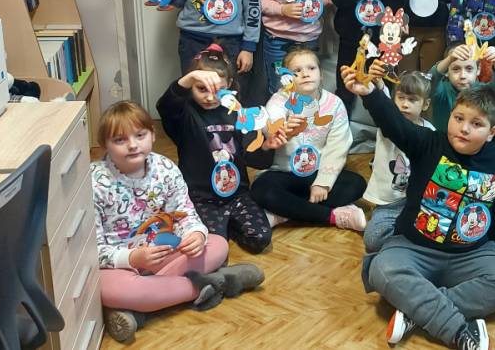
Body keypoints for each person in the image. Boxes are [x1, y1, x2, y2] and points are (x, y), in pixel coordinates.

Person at [342, 64, 495, 350]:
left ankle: (416, 312)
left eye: (476, 124)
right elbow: (395, 124)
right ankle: (457, 331)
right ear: (449, 117)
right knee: (382, 269)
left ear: (491, 132)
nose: (464, 128)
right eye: (458, 118)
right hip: (415, 248)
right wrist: (369, 94)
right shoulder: (428, 142)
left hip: (471, 254)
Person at [95, 101, 263, 343]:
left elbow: (185, 212)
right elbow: (93, 248)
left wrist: (195, 234)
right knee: (105, 288)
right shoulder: (95, 182)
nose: (132, 145)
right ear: (105, 144)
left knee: (217, 244)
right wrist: (132, 258)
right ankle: (220, 282)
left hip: (167, 255)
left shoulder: (165, 168)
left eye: (140, 135)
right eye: (120, 140)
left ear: (152, 135)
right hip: (120, 265)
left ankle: (141, 307)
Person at [157, 45, 277, 253]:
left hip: (237, 195)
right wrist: (190, 78)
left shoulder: (238, 113)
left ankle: (229, 223)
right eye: (201, 89)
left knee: (260, 239)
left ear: (229, 85)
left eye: (218, 90)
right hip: (201, 197)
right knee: (214, 246)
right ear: (191, 86)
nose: (210, 97)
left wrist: (266, 147)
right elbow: (165, 105)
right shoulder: (184, 114)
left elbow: (254, 159)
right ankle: (223, 226)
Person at [251, 48, 367, 231]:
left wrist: (323, 183)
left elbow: (338, 146)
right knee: (261, 190)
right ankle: (332, 216)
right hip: (283, 174)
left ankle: (283, 213)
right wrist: (282, 129)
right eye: (296, 71)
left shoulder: (334, 104)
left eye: (311, 68)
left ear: (321, 74)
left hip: (317, 172)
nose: (305, 74)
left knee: (356, 184)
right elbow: (271, 122)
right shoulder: (279, 100)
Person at [362, 71, 435, 253]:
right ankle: (409, 241)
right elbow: (383, 107)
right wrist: (378, 86)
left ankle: (404, 241)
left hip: (419, 203)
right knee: (373, 239)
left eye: (412, 100)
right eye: (400, 98)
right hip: (389, 204)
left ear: (425, 104)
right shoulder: (387, 125)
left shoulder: (431, 133)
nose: (405, 104)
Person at [429, 43, 495, 131]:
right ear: (446, 71)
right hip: (442, 138)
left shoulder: (483, 91)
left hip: (474, 139)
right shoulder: (441, 92)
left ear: (478, 69)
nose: (463, 76)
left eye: (469, 69)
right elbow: (431, 81)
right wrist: (449, 59)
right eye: (456, 69)